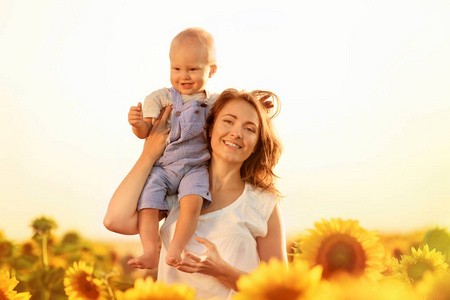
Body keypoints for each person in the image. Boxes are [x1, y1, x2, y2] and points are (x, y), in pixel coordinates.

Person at [104, 88, 287, 299]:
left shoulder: (262, 203)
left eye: (250, 129)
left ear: (256, 144)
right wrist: (148, 155)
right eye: (228, 121)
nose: (236, 133)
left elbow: (280, 292)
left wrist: (221, 270)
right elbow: (114, 220)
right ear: (208, 128)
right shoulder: (178, 191)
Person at [126, 27, 219, 269]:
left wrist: (258, 103)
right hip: (164, 167)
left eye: (193, 69)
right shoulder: (160, 98)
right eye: (176, 69)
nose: (184, 76)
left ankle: (176, 247)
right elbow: (145, 132)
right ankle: (149, 250)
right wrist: (137, 125)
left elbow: (239, 107)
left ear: (212, 70)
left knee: (192, 202)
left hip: (195, 166)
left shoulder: (214, 101)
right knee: (148, 202)